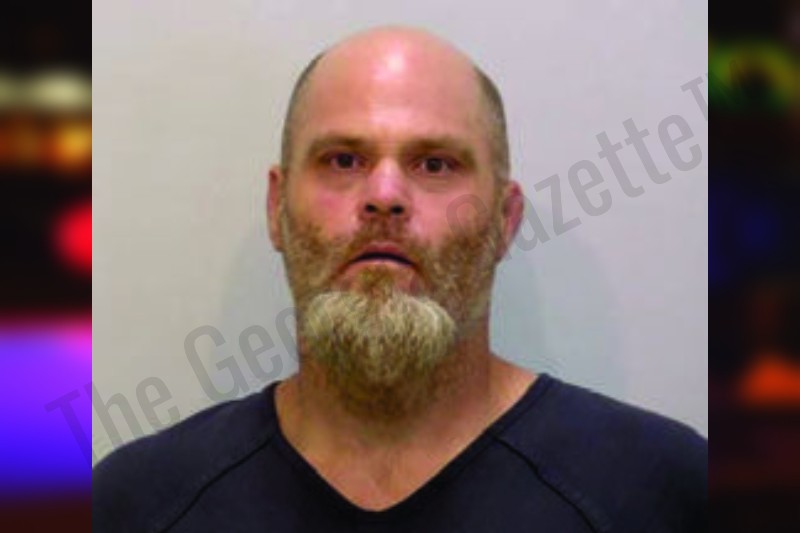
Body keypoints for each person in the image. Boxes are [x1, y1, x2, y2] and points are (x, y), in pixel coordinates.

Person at [93, 26, 707, 532]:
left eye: (435, 164)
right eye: (343, 160)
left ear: (505, 220)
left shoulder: (660, 491)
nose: (384, 195)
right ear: (276, 209)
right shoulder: (136, 505)